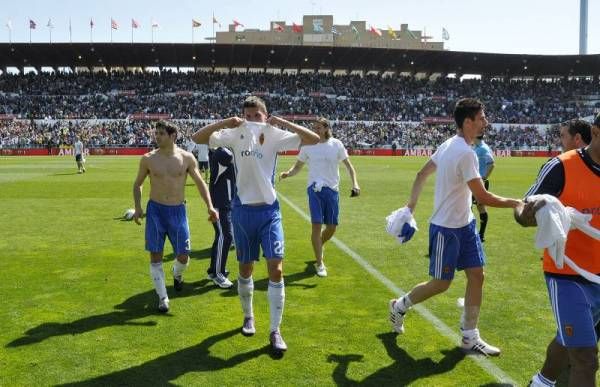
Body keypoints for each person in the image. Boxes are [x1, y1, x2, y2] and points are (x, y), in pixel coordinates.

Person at [388, 98, 522, 356]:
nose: (486, 122)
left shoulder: (450, 144)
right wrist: (517, 203)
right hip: (446, 228)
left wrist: (410, 208)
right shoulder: (464, 152)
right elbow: (483, 197)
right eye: (482, 118)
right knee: (441, 283)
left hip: (466, 225)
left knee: (477, 275)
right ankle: (399, 306)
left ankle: (470, 336)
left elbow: (421, 174)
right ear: (468, 122)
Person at [191, 96, 320, 355]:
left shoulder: (274, 133)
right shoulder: (234, 132)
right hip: (242, 211)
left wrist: (281, 121)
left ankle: (275, 330)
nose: (251, 121)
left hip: (269, 211)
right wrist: (228, 121)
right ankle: (248, 316)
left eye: (256, 116)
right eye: (247, 116)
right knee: (246, 268)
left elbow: (314, 139)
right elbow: (198, 137)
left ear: (265, 115)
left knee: (277, 269)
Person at [523, 116, 599, 387]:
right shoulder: (561, 166)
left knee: (570, 338)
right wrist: (541, 211)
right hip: (566, 273)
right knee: (586, 357)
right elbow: (523, 211)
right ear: (595, 132)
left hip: (598, 272)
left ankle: (542, 382)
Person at [133, 120, 218, 313]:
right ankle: (163, 297)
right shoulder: (148, 158)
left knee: (183, 255)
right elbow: (137, 184)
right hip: (155, 211)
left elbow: (199, 183)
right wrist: (138, 207)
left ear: (173, 136)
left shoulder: (186, 158)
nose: (157, 136)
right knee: (155, 255)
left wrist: (210, 207)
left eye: (161, 133)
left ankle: (176, 274)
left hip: (178, 210)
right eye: (156, 133)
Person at [280, 117, 360, 277]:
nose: (315, 130)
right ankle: (320, 263)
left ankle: (319, 244)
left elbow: (349, 166)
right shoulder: (307, 145)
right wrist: (288, 173)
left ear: (326, 129)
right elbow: (298, 167)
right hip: (314, 189)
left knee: (331, 227)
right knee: (316, 225)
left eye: (318, 128)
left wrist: (355, 184)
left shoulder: (336, 144)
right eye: (313, 128)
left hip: (332, 190)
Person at [206, 146, 236, 289]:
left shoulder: (221, 152)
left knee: (222, 236)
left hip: (224, 202)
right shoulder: (221, 153)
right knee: (225, 236)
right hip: (220, 203)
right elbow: (229, 156)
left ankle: (215, 270)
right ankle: (218, 273)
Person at [472, 135, 495, 242]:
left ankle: (481, 234)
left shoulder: (483, 148)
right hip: (474, 181)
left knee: (479, 207)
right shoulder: (476, 147)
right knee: (471, 206)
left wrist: (484, 177)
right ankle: (474, 232)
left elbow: (492, 164)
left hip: (479, 181)